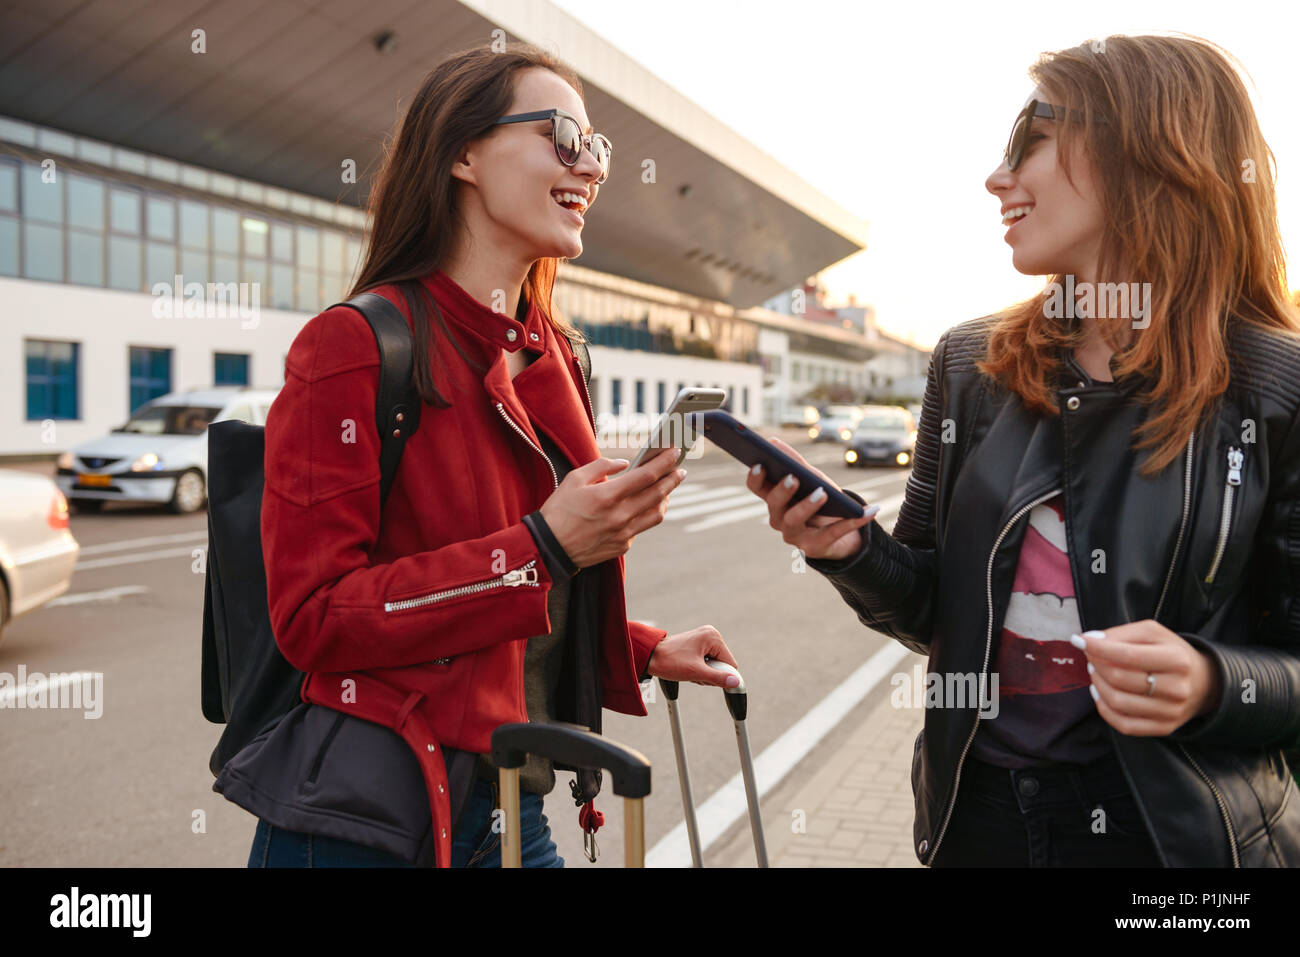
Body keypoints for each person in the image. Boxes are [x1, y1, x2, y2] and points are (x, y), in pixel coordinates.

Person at [744, 33, 1300, 867]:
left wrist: (1215, 680)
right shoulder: (969, 364)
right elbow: (936, 611)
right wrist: (850, 550)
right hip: (980, 825)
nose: (998, 178)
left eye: (1029, 139)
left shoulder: (1275, 385)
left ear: (1148, 148)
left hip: (1175, 845)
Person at [215, 41, 739, 868]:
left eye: (597, 149)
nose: (591, 168)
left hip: (509, 800)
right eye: (564, 136)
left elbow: (516, 609)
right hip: (367, 816)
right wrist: (543, 546)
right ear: (462, 152)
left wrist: (637, 647)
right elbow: (314, 617)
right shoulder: (353, 346)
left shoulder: (560, 356)